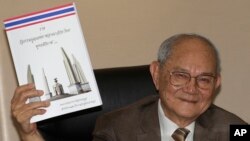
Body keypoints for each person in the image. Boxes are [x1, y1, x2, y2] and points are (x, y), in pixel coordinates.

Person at [11, 33, 247, 141]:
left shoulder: (235, 129)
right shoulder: (117, 129)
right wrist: (28, 133)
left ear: (216, 84)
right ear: (156, 74)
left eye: (204, 79)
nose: (192, 88)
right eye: (180, 75)